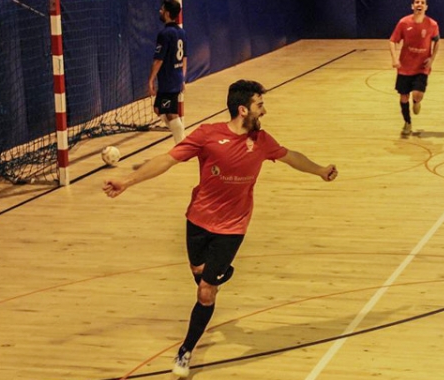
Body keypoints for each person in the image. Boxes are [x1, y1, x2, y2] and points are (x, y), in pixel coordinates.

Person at [103, 79, 338, 378]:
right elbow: (167, 160)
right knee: (199, 273)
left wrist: (319, 170)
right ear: (243, 109)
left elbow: (291, 157)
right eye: (259, 105)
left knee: (205, 292)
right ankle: (219, 272)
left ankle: (186, 350)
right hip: (198, 221)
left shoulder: (263, 141)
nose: (263, 111)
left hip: (233, 226)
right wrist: (126, 182)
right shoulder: (207, 136)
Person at [388, 0, 440, 137]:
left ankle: (416, 102)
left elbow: (437, 41)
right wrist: (394, 59)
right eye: (417, 2)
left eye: (422, 2)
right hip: (405, 66)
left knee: (417, 93)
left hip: (421, 67)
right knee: (404, 96)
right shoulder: (404, 23)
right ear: (412, 6)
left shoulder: (432, 24)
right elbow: (392, 41)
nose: (419, 4)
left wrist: (432, 59)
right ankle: (407, 122)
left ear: (426, 7)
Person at [149, 0, 188, 144]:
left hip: (168, 80)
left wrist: (151, 80)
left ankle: (182, 144)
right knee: (158, 108)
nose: (159, 11)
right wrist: (182, 77)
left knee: (171, 113)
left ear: (167, 13)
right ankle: (181, 139)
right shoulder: (181, 32)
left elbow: (158, 60)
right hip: (176, 78)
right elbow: (184, 57)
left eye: (162, 9)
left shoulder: (165, 34)